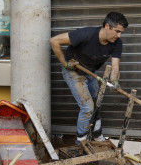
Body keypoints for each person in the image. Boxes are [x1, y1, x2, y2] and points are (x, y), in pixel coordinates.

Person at [50, 11, 128, 143]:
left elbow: (115, 67)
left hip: (89, 72)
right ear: (107, 26)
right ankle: (81, 142)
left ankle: (97, 135)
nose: (119, 35)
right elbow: (54, 41)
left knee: (96, 103)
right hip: (73, 71)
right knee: (87, 107)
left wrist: (115, 81)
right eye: (117, 31)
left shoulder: (116, 43)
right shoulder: (86, 34)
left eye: (121, 32)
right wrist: (65, 63)